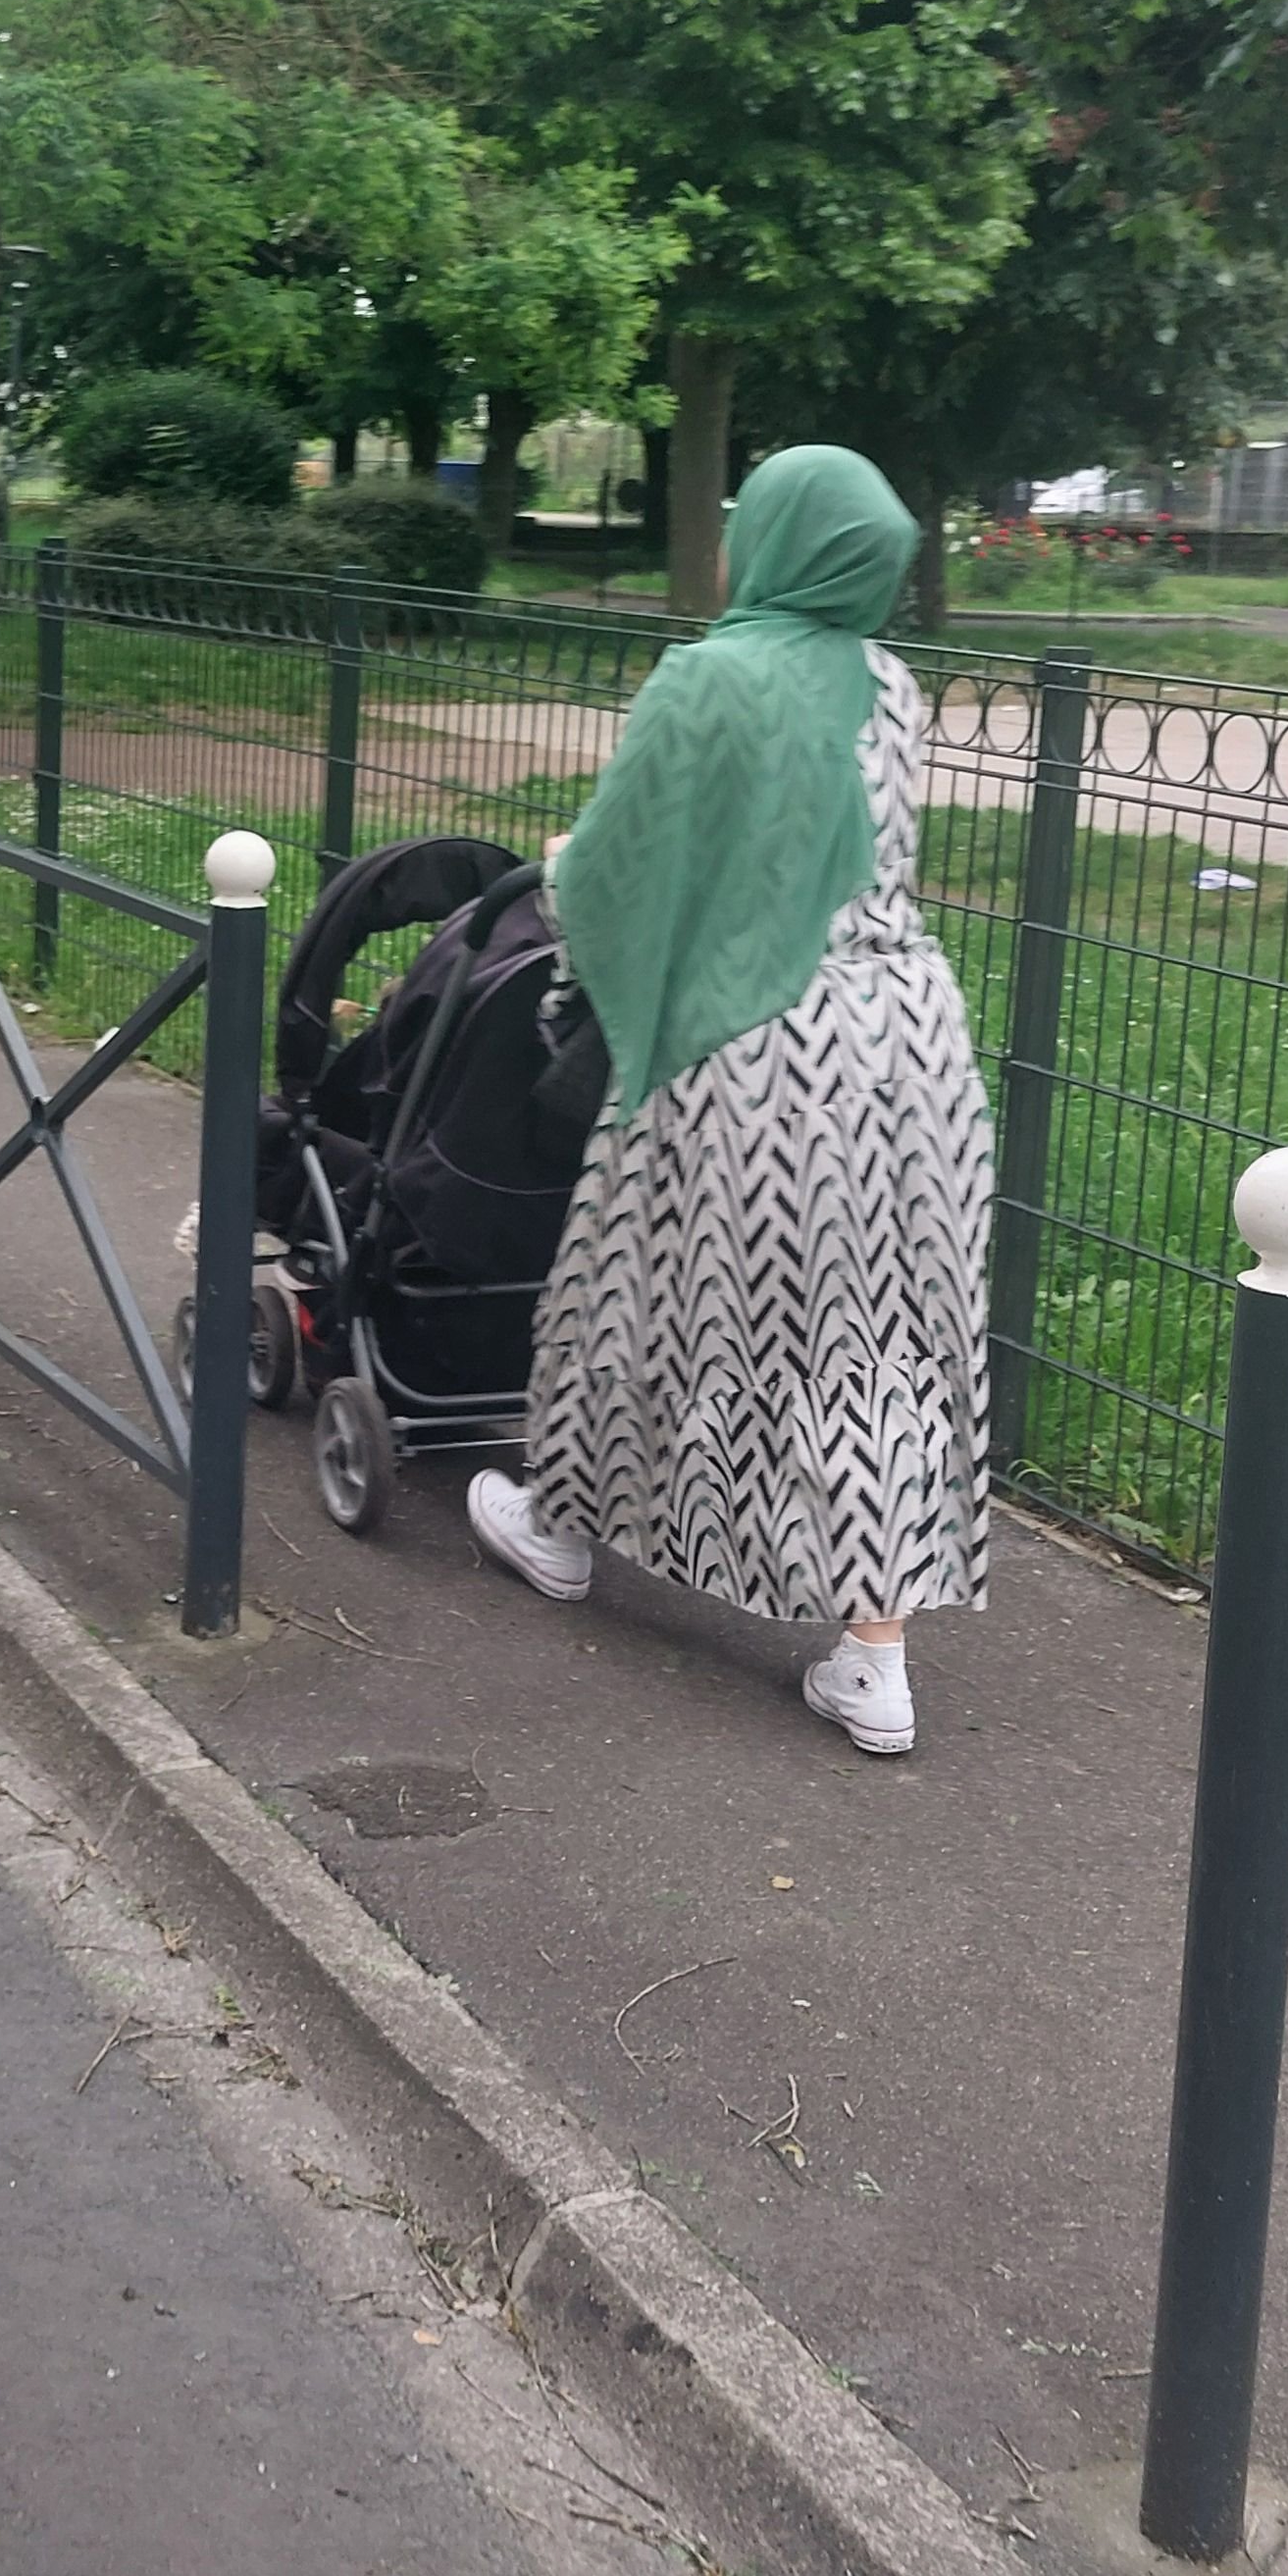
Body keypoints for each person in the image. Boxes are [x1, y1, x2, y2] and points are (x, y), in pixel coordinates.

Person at [466, 445, 995, 1757]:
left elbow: (635, 861)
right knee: (874, 1340)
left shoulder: (711, 677)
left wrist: (566, 873)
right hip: (913, 1047)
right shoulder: (894, 685)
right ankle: (876, 1658)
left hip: (754, 1041)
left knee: (637, 1279)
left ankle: (560, 1526)